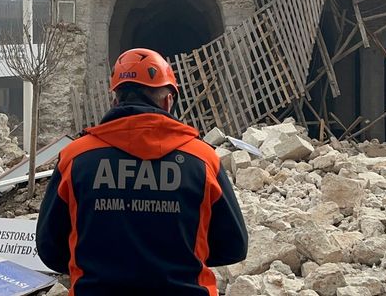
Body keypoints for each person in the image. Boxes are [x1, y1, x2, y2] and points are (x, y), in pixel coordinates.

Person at [36, 48, 248, 296]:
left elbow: (50, 249)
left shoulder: (75, 158)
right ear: (168, 101)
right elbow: (234, 246)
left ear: (115, 101)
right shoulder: (203, 160)